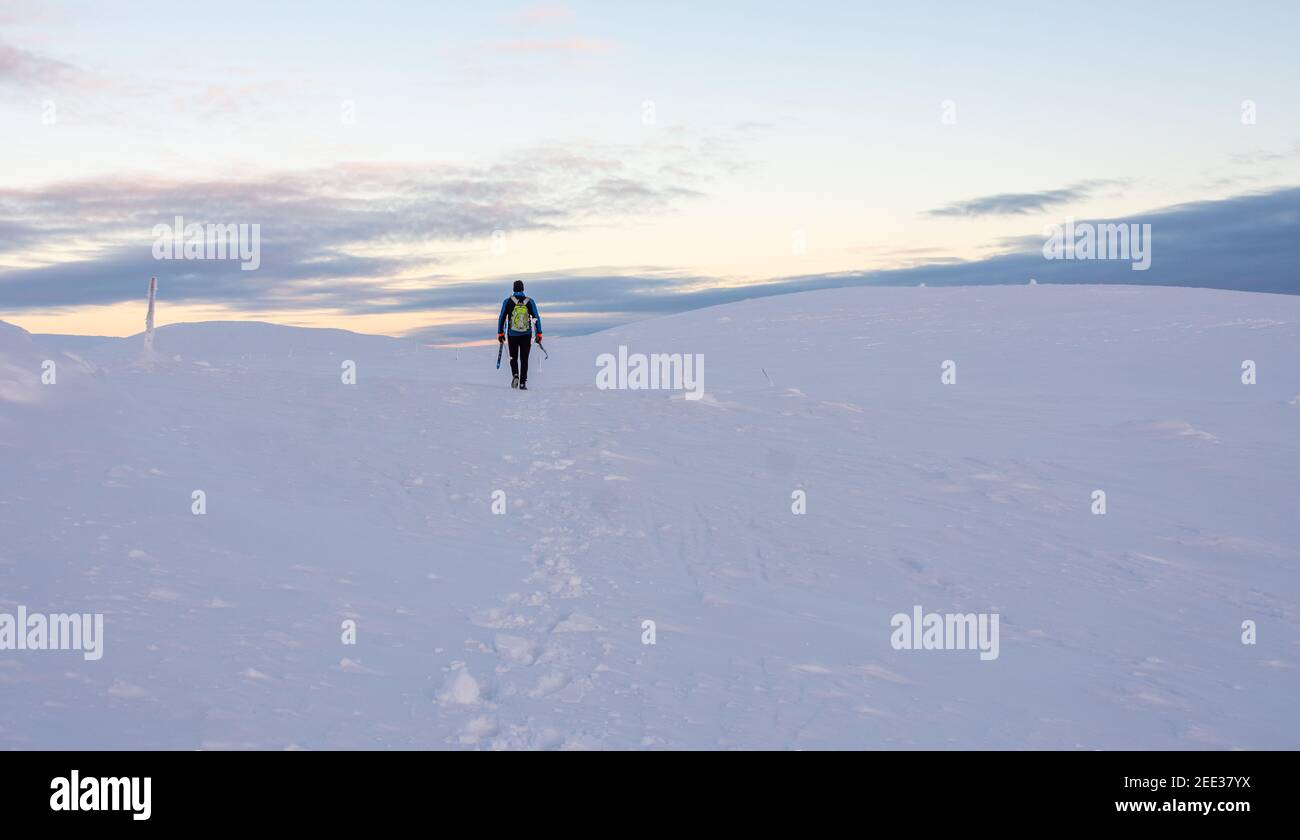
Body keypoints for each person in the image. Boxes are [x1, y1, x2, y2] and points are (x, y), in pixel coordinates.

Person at [497, 280, 542, 390]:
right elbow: (536, 318)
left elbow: (502, 318)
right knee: (524, 358)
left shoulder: (507, 302)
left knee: (513, 357)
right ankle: (522, 383)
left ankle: (515, 375)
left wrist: (500, 333)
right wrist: (539, 333)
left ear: (513, 289)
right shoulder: (529, 301)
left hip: (512, 334)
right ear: (523, 289)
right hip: (526, 334)